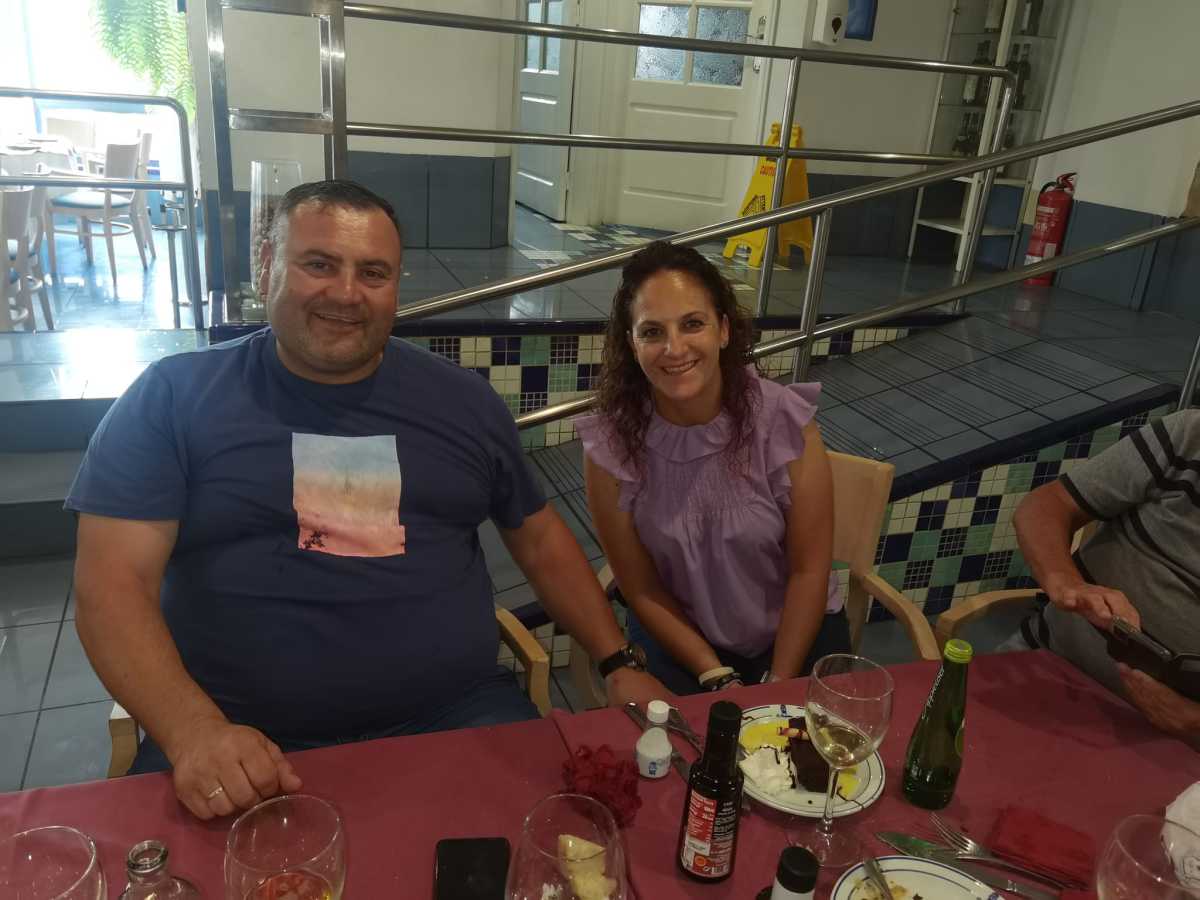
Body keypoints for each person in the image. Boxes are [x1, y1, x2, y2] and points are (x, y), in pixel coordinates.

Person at [67, 180, 669, 820]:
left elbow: (541, 539)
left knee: (566, 853)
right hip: (238, 736)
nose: (347, 293)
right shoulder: (172, 400)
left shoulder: (462, 403)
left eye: (373, 273)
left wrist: (617, 660)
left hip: (456, 717)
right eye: (319, 264)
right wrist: (192, 730)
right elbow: (112, 587)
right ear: (267, 266)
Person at [575, 241, 850, 697]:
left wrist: (775, 685)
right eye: (652, 332)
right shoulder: (609, 447)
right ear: (632, 344)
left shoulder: (784, 421)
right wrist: (713, 672)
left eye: (692, 324)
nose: (674, 349)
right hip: (680, 639)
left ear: (723, 330)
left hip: (794, 634)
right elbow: (640, 588)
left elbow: (809, 570)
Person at [1014, 408, 1200, 747]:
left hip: (1173, 749)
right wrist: (1066, 582)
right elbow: (1047, 505)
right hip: (1045, 666)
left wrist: (1192, 722)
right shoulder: (1190, 436)